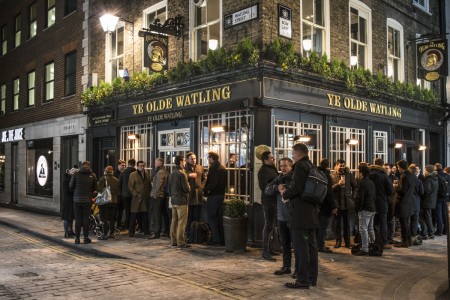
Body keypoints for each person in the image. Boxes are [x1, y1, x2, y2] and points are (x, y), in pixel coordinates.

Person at [282, 143, 319, 289]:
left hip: (300, 215)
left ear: (298, 153)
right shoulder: (311, 166)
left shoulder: (299, 166)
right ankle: (312, 278)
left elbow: (297, 187)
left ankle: (302, 280)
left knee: (301, 248)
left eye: (293, 153)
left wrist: (286, 193)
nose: (292, 155)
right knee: (311, 247)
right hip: (311, 214)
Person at [265, 157, 294, 275]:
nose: (283, 168)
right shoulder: (279, 178)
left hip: (293, 216)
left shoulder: (295, 178)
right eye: (281, 166)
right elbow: (267, 190)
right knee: (284, 243)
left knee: (297, 245)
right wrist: (276, 188)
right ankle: (286, 266)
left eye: (285, 166)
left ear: (291, 166)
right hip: (282, 216)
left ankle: (299, 269)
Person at [258, 151, 279, 260]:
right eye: (271, 158)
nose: (273, 159)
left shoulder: (271, 168)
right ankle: (265, 251)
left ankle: (270, 248)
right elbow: (264, 187)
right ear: (265, 159)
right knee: (268, 225)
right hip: (268, 201)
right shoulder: (264, 171)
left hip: (274, 200)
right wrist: (276, 187)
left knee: (271, 225)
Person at [69, 161, 97, 244]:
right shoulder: (93, 175)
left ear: (81, 166)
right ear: (89, 166)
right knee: (85, 219)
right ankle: (86, 237)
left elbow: (70, 186)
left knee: (78, 219)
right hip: (87, 200)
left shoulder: (76, 174)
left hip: (77, 200)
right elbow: (95, 188)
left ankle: (77, 238)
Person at [331, 159, 357, 248]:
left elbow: (355, 187)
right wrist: (338, 184)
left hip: (347, 203)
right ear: (336, 165)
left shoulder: (349, 175)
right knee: (337, 224)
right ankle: (338, 241)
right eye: (340, 165)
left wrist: (353, 197)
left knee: (347, 224)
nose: (342, 167)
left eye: (343, 165)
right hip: (337, 203)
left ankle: (347, 242)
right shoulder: (332, 176)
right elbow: (329, 189)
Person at [369, 159, 394, 249]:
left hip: (371, 202)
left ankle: (374, 241)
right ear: (382, 165)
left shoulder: (369, 174)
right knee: (383, 222)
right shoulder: (384, 176)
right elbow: (390, 190)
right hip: (382, 202)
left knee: (372, 223)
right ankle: (384, 242)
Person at [204, 151, 227, 245]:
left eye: (208, 158)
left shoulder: (213, 169)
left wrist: (206, 190)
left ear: (212, 158)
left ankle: (216, 239)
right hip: (221, 195)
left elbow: (213, 183)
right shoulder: (223, 168)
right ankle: (221, 238)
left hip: (213, 195)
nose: (208, 159)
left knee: (212, 217)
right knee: (218, 217)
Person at [354, 165, 376, 256]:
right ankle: (374, 245)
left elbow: (360, 197)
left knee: (363, 229)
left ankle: (365, 248)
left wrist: (358, 208)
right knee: (370, 228)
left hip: (365, 208)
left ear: (361, 173)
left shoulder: (362, 183)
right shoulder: (371, 182)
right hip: (372, 207)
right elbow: (374, 196)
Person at [169, 155, 190, 248]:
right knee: (182, 222)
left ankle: (173, 240)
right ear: (181, 162)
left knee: (174, 221)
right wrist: (189, 186)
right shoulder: (182, 173)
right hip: (181, 200)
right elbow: (186, 189)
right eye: (184, 161)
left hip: (173, 200)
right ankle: (180, 241)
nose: (184, 163)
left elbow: (169, 188)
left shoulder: (172, 173)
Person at [393, 160, 416, 248]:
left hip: (403, 203)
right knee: (406, 222)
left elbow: (403, 191)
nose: (398, 169)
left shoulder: (404, 176)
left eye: (398, 167)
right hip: (409, 202)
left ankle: (405, 241)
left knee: (403, 223)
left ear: (401, 167)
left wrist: (396, 187)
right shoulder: (411, 175)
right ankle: (408, 240)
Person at [185, 152, 206, 242]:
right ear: (187, 160)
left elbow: (204, 178)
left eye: (195, 158)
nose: (194, 160)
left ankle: (196, 235)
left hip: (198, 194)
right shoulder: (184, 168)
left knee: (197, 216)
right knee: (189, 216)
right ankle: (188, 235)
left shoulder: (200, 167)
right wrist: (188, 175)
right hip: (189, 194)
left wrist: (202, 187)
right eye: (191, 159)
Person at [317, 158, 337, 253]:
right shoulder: (327, 176)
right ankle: (320, 245)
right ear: (328, 166)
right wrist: (334, 205)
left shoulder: (317, 174)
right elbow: (329, 192)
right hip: (325, 205)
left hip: (317, 203)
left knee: (318, 226)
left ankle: (318, 244)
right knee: (323, 226)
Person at [128, 160, 151, 237]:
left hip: (145, 198)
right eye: (140, 166)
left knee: (145, 215)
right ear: (137, 166)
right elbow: (130, 187)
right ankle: (131, 231)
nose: (142, 167)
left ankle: (146, 230)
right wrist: (136, 194)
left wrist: (149, 194)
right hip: (136, 198)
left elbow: (149, 186)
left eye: (143, 166)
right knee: (134, 215)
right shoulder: (133, 175)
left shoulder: (147, 174)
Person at [97, 165, 120, 240]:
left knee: (104, 218)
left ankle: (104, 234)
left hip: (105, 201)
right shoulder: (116, 180)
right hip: (114, 201)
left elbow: (99, 189)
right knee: (111, 218)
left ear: (105, 171)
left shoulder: (103, 179)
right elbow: (118, 191)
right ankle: (112, 233)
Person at [148, 158, 169, 239]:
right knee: (163, 214)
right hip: (162, 195)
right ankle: (165, 230)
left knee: (157, 215)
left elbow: (158, 185)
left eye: (156, 163)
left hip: (158, 196)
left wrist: (154, 195)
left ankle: (156, 233)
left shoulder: (160, 172)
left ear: (160, 163)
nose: (154, 164)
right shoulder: (164, 171)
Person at [119, 159, 136, 230]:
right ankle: (133, 225)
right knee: (134, 211)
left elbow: (119, 184)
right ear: (134, 164)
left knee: (127, 210)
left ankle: (127, 225)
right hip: (134, 194)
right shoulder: (136, 172)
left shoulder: (123, 172)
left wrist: (121, 192)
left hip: (125, 194)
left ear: (128, 164)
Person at [422, 165, 438, 239]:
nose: (424, 170)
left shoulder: (428, 179)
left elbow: (427, 190)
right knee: (428, 217)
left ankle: (431, 233)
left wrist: (422, 190)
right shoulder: (435, 178)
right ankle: (427, 232)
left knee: (428, 217)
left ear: (427, 170)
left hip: (427, 200)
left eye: (425, 169)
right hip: (432, 200)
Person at [62, 165, 77, 238]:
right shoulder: (66, 180)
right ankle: (66, 232)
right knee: (67, 217)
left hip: (71, 200)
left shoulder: (70, 179)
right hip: (67, 201)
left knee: (71, 217)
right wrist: (75, 190)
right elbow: (67, 191)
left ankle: (71, 231)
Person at [434, 163, 450, 236]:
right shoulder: (447, 175)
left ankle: (439, 231)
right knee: (445, 214)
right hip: (446, 197)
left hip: (438, 197)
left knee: (438, 214)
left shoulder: (436, 176)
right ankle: (446, 230)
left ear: (435, 167)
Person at [409, 164, 424, 239]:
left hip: (408, 202)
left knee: (408, 219)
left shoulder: (407, 180)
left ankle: (408, 234)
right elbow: (421, 192)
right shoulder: (419, 181)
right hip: (417, 202)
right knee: (415, 219)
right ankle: (414, 234)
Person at [114, 159, 126, 231]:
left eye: (124, 165)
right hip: (117, 195)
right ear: (118, 165)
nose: (124, 166)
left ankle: (118, 224)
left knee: (121, 211)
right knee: (116, 211)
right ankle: (114, 224)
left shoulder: (124, 173)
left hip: (122, 195)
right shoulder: (115, 173)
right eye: (122, 165)